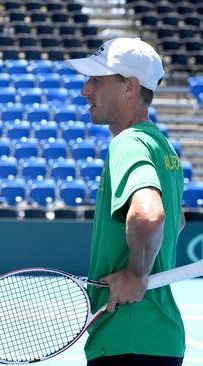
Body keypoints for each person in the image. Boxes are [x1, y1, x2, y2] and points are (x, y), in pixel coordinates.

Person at [66, 37, 186, 366]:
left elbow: (150, 217)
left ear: (129, 87)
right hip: (160, 338)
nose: (85, 90)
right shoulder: (162, 145)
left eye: (96, 80)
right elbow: (178, 222)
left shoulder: (128, 143)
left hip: (127, 339)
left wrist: (135, 276)